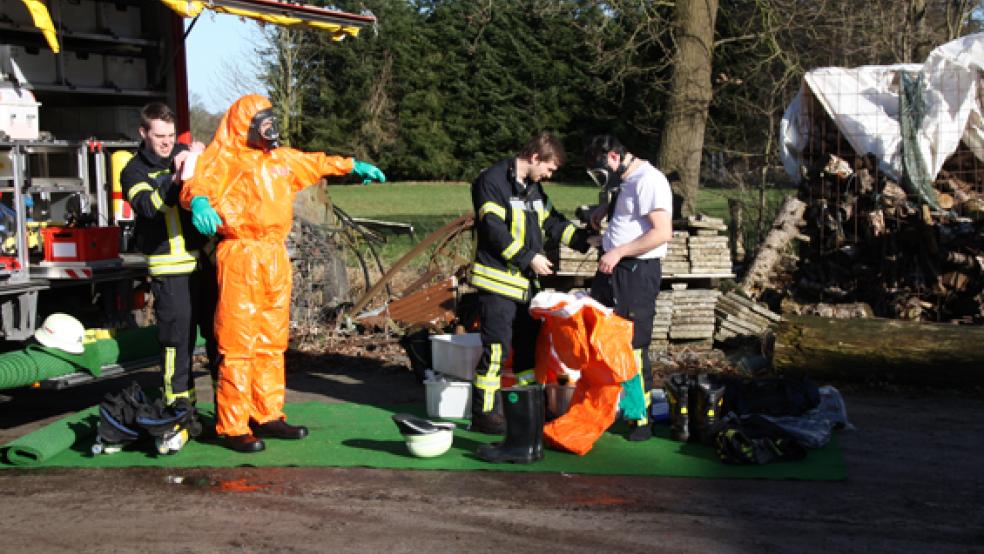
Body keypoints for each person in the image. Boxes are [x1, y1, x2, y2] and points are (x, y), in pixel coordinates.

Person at [179, 94, 385, 453]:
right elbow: (197, 184)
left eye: (271, 119)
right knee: (237, 341)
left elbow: (315, 162)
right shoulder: (225, 159)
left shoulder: (281, 161)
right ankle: (232, 424)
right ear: (246, 125)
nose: (270, 127)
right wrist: (197, 201)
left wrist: (351, 165)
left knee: (272, 340)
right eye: (263, 120)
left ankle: (268, 413)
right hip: (241, 254)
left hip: (275, 255)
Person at [469, 132, 593, 434]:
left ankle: (526, 408)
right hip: (497, 282)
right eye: (549, 169)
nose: (549, 176)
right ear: (535, 158)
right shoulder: (492, 181)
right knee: (497, 350)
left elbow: (553, 223)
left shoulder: (532, 188)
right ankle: (484, 414)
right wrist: (529, 259)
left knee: (527, 353)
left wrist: (585, 239)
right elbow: (494, 231)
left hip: (526, 287)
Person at [120, 102, 219, 430]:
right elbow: (149, 207)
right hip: (171, 270)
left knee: (220, 339)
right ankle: (180, 415)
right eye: (159, 136)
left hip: (204, 266)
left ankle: (229, 411)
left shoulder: (183, 152)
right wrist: (178, 177)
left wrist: (202, 161)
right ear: (144, 133)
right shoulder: (133, 171)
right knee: (178, 345)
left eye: (171, 135)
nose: (166, 142)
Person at [584, 134, 673, 441]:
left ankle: (640, 417)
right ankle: (606, 407)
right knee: (601, 338)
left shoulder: (650, 180)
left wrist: (619, 251)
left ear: (613, 157)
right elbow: (630, 211)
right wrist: (604, 212)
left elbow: (662, 232)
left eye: (601, 169)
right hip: (612, 271)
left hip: (635, 273)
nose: (601, 178)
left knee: (632, 346)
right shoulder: (625, 179)